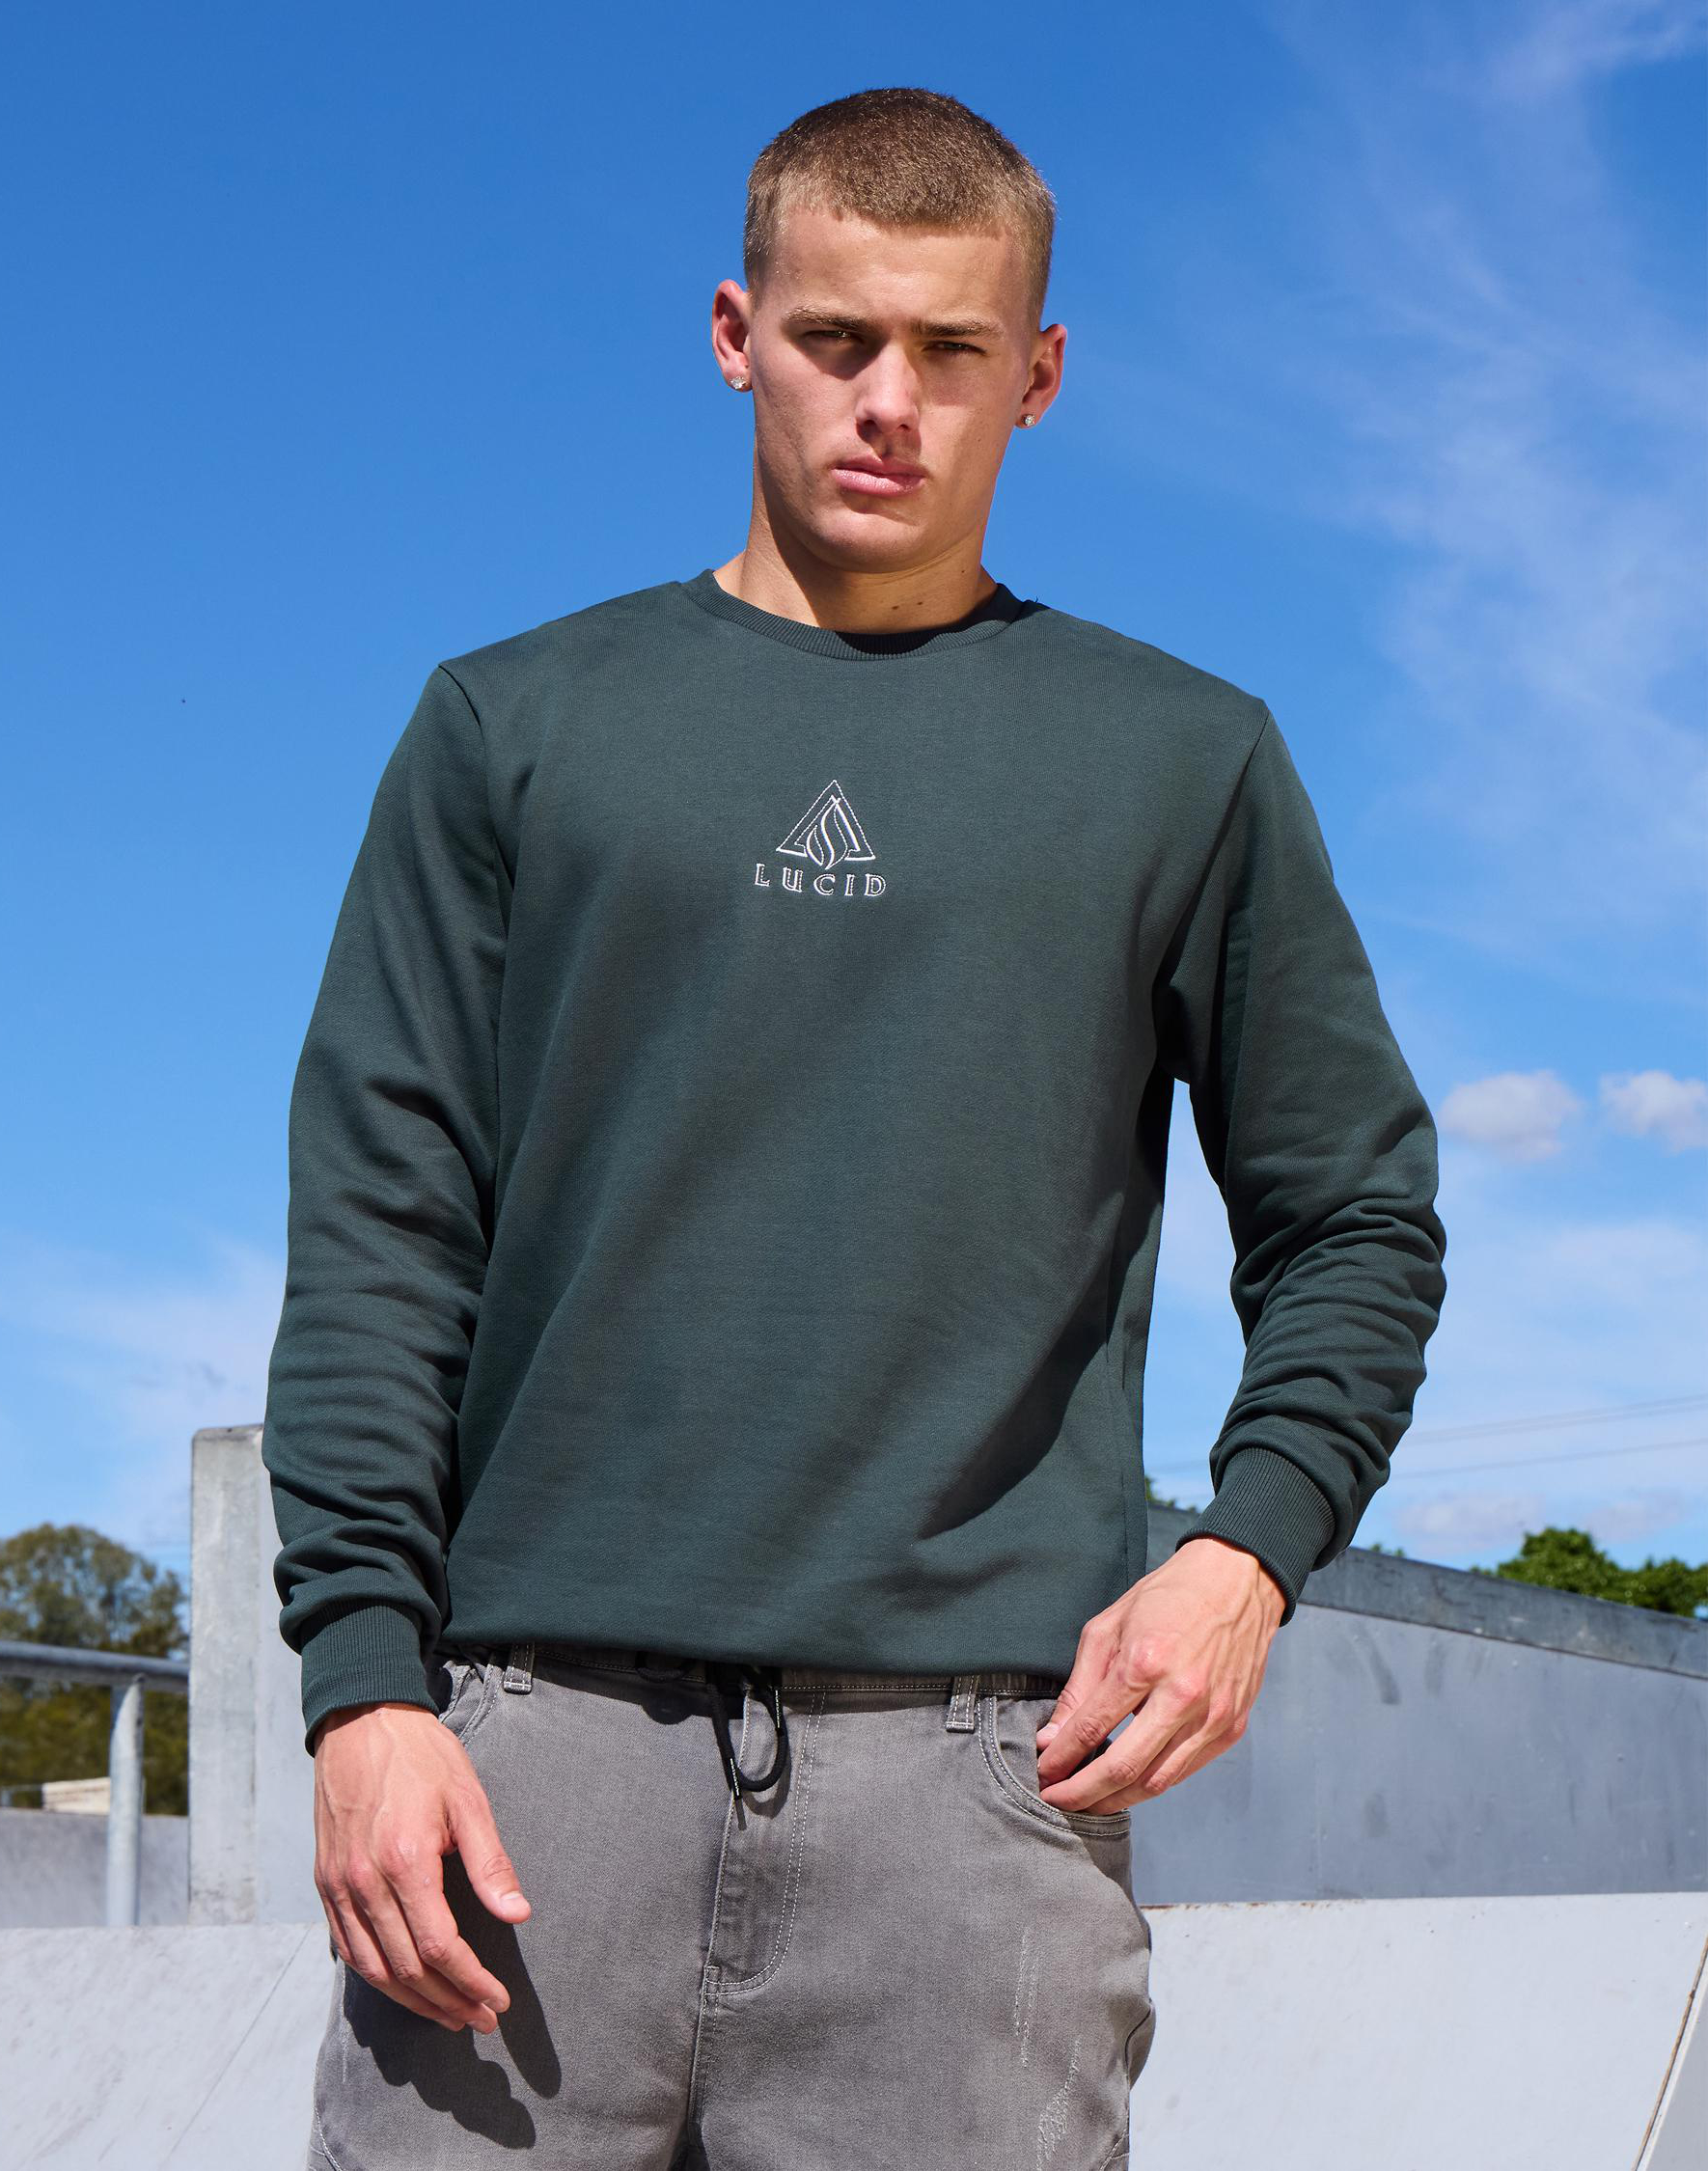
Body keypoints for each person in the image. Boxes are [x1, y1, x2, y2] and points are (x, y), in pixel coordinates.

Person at [263, 84, 1447, 2171]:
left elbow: (1354, 1211)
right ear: (738, 336)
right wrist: (365, 1686)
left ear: (1039, 374)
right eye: (837, 339)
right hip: (531, 1770)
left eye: (952, 350)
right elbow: (383, 1230)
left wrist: (1245, 1556)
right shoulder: (513, 729)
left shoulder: (1181, 761)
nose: (890, 403)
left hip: (975, 1801)